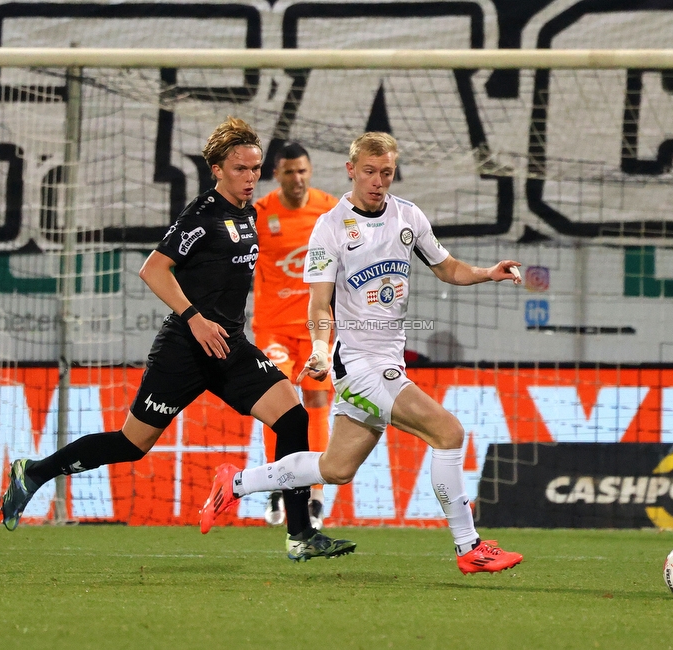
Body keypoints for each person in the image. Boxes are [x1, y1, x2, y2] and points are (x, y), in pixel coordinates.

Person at [0, 117, 356, 562]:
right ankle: (33, 472)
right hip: (185, 349)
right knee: (132, 445)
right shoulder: (202, 215)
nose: (250, 178)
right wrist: (194, 318)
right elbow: (152, 269)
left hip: (228, 347)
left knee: (292, 418)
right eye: (240, 169)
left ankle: (300, 533)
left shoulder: (249, 213)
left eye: (255, 169)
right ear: (217, 170)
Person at [200, 132, 525, 575]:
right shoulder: (330, 226)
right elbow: (318, 302)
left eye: (386, 173)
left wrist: (488, 272)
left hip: (388, 361)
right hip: (358, 363)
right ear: (351, 170)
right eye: (369, 172)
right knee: (448, 433)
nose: (378, 181)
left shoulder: (408, 215)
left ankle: (236, 483)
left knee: (335, 469)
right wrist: (317, 347)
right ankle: (469, 546)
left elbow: (447, 267)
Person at [252, 142, 337, 529]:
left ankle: (315, 493)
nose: (297, 179)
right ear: (277, 174)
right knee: (282, 397)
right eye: (289, 172)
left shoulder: (330, 209)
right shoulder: (260, 214)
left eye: (303, 171)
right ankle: (277, 481)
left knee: (317, 399)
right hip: (272, 327)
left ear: (310, 171)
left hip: (316, 326)